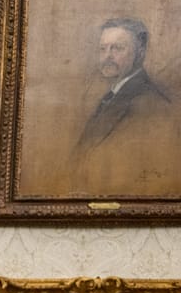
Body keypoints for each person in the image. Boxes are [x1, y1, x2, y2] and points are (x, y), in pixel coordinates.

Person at [73, 18, 173, 194]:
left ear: (140, 52)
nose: (107, 56)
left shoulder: (151, 103)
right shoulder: (111, 95)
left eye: (117, 48)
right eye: (103, 49)